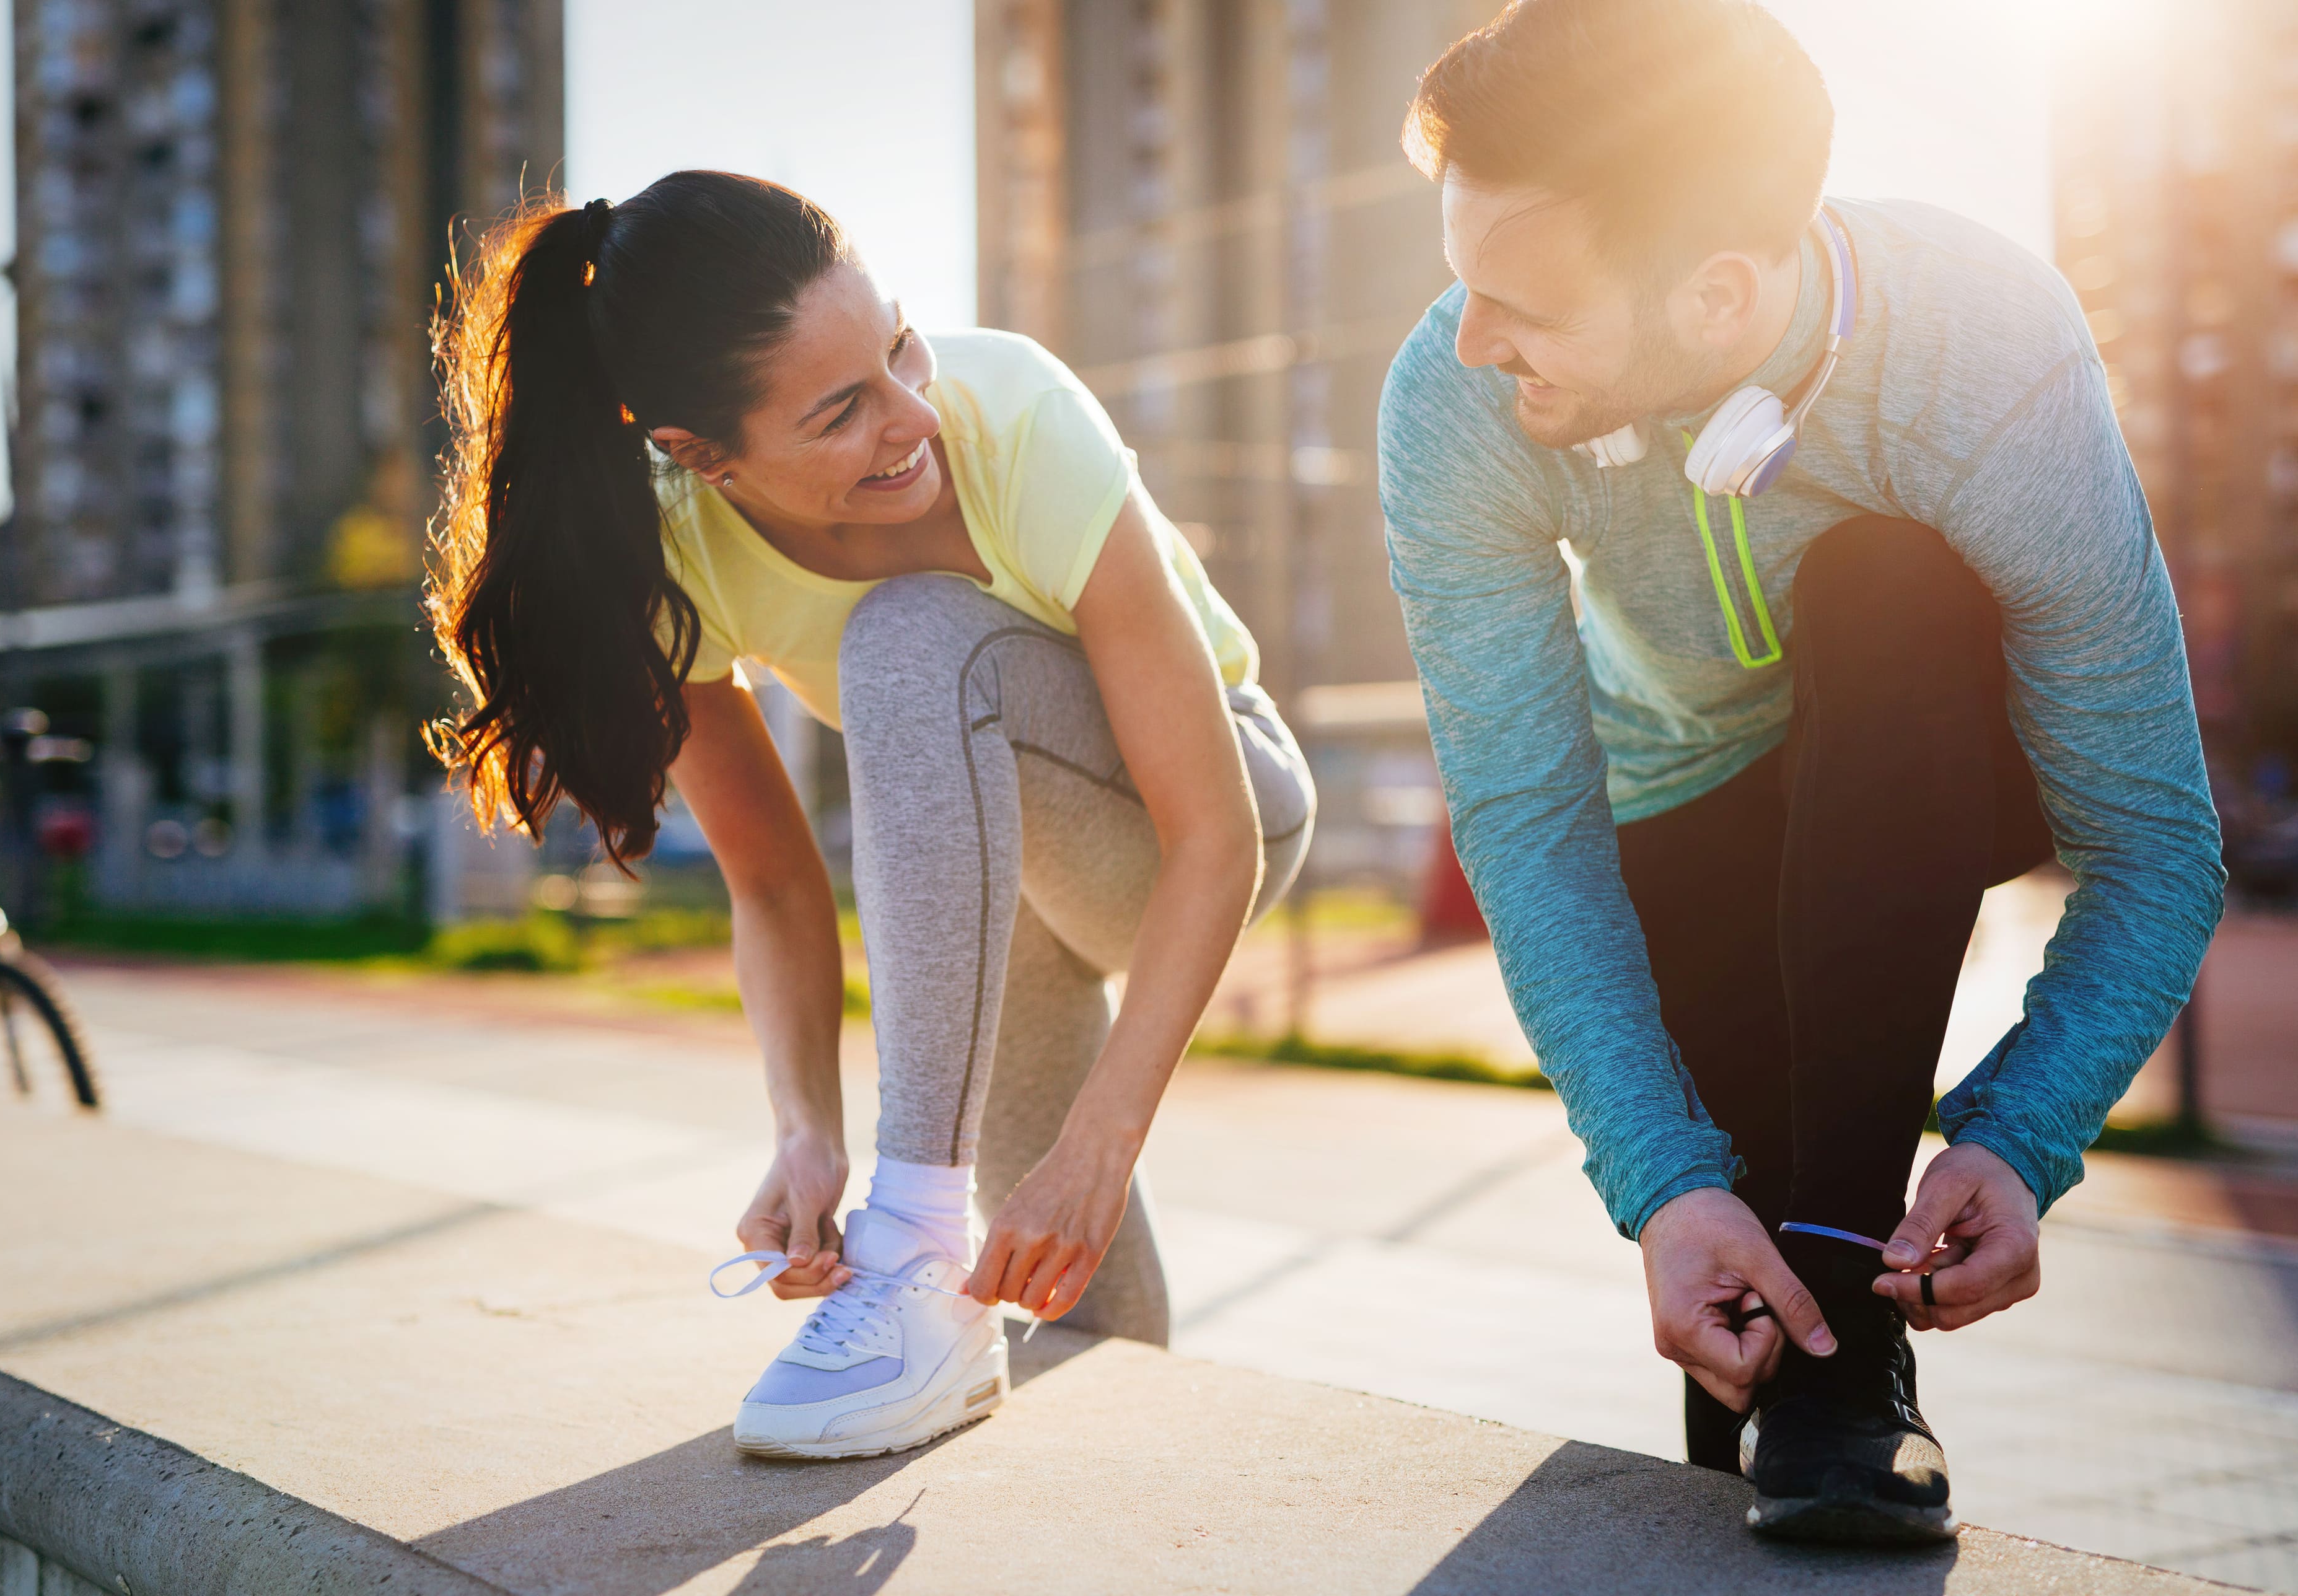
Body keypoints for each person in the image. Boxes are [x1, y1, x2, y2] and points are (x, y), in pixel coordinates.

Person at [1377, 0, 2222, 1544]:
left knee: (1885, 584)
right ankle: (1825, 1394)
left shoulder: (1988, 352)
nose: (1470, 338)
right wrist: (1660, 1181)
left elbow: (2158, 845)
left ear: (1714, 296)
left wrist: (2017, 1136)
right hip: (1676, 805)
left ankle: (1844, 1311)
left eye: (1518, 303)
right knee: (1751, 1333)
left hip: (1930, 755)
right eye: (1459, 282)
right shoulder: (1453, 399)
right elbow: (1528, 826)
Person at [426, 172, 1313, 1460]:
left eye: (898, 344)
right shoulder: (673, 550)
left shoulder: (1011, 413)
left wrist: (1101, 1141)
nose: (913, 417)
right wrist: (804, 1129)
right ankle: (1102, 1507)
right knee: (1073, 1301)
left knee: (910, 639)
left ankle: (908, 1233)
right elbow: (776, 886)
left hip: (1217, 814)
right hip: (1003, 890)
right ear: (700, 456)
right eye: (843, 410)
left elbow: (1216, 836)